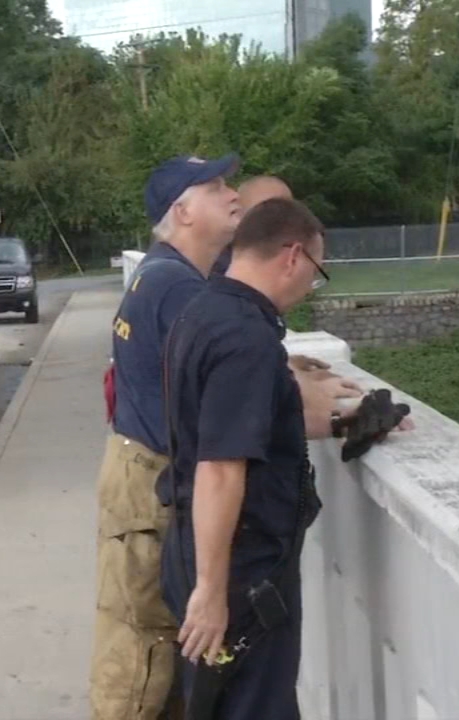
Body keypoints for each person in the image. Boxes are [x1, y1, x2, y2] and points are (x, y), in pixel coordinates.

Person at [91, 159, 357, 720]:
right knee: (144, 659)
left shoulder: (191, 295)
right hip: (184, 513)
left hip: (161, 489)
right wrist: (211, 590)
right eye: (215, 188)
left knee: (180, 673)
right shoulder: (190, 297)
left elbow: (236, 400)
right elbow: (222, 458)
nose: (233, 194)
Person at [157, 198, 410, 719]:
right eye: (316, 273)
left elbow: (246, 424)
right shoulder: (246, 340)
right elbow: (221, 468)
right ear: (293, 256)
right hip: (240, 570)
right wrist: (211, 592)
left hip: (209, 553)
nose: (309, 286)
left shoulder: (205, 311)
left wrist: (346, 421)